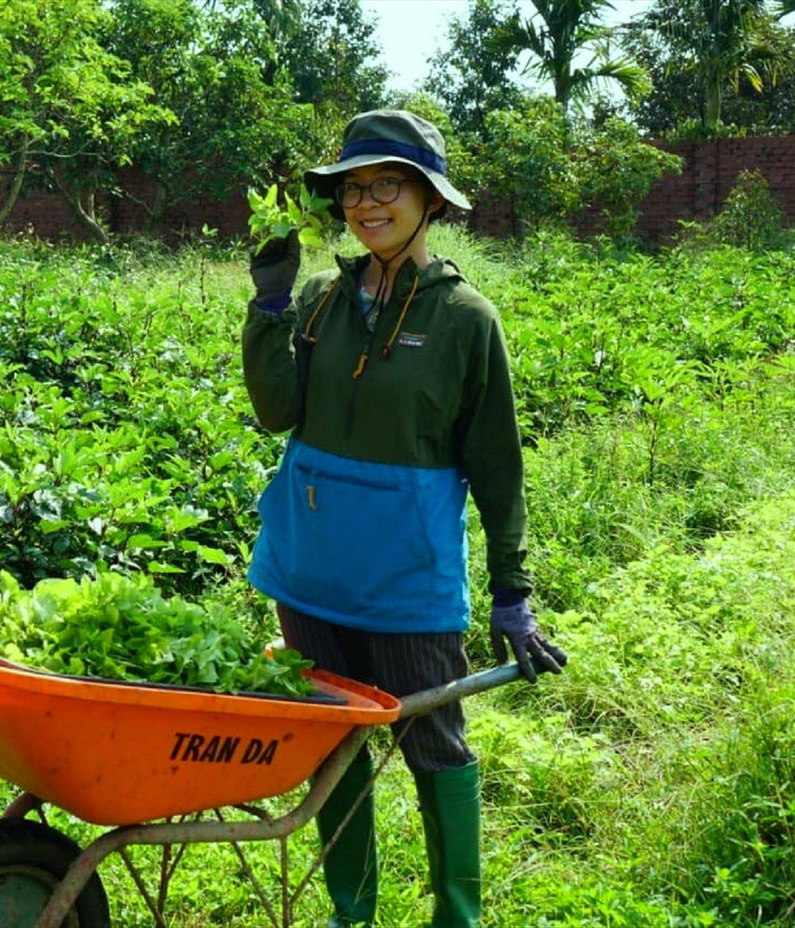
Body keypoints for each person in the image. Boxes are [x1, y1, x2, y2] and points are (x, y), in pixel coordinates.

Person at [241, 109, 568, 927]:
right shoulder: (321, 301)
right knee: (334, 744)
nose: (367, 202)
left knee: (434, 746)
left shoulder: (465, 320)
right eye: (354, 188)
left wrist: (511, 592)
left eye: (388, 183)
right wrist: (269, 307)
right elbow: (277, 413)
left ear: (429, 197)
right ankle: (353, 913)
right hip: (310, 573)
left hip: (406, 580)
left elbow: (498, 469)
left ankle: (456, 916)